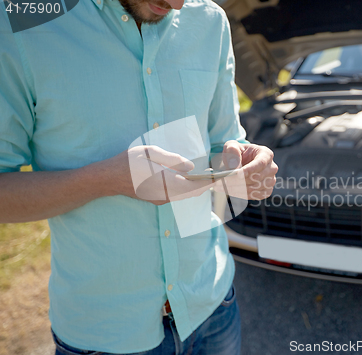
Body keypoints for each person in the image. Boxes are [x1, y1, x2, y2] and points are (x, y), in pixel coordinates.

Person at [0, 0, 278, 354]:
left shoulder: (210, 21)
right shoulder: (21, 23)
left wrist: (247, 159)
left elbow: (224, 141)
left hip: (213, 308)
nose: (177, 4)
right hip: (104, 336)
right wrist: (107, 180)